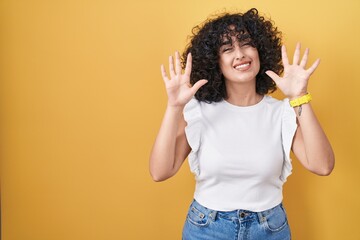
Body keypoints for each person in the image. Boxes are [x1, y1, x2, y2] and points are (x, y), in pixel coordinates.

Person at [149, 8, 335, 240]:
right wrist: (174, 107)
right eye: (227, 49)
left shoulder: (282, 112)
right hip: (207, 229)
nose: (240, 55)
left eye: (246, 44)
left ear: (260, 50)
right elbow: (160, 171)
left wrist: (300, 97)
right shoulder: (198, 111)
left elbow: (323, 166)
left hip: (270, 230)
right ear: (215, 61)